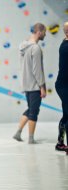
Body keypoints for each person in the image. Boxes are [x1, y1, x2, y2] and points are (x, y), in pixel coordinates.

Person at [13, 23, 47, 144]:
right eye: (44, 32)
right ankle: (31, 139)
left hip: (26, 84)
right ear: (39, 32)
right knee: (34, 111)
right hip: (34, 85)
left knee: (31, 109)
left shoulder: (23, 46)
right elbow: (37, 70)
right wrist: (42, 86)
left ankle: (18, 133)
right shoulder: (35, 48)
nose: (45, 34)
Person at [55, 22, 68, 152]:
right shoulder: (65, 47)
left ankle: (60, 143)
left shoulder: (64, 43)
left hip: (63, 85)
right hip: (64, 86)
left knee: (66, 115)